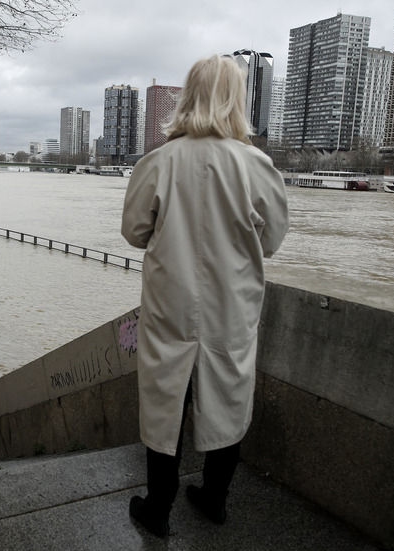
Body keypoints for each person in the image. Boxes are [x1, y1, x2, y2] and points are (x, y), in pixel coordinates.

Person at [121, 54, 289, 537]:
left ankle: (158, 507)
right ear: (238, 100)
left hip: (170, 302)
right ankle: (214, 498)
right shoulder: (257, 166)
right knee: (229, 394)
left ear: (186, 97)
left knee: (163, 396)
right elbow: (272, 241)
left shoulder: (158, 162)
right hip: (231, 305)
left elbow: (134, 231)